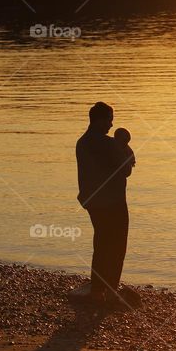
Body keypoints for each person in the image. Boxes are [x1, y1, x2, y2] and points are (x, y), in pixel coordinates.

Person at [75, 102, 134, 304]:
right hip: (113, 201)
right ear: (99, 120)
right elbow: (125, 170)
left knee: (101, 243)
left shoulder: (82, 142)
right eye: (109, 119)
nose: (111, 124)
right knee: (117, 245)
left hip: (92, 201)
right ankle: (108, 291)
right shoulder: (108, 144)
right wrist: (127, 154)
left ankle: (98, 290)